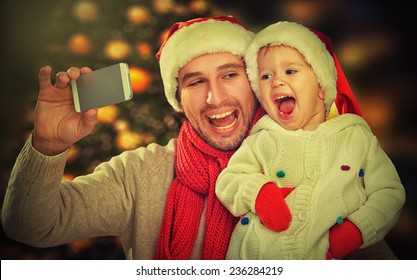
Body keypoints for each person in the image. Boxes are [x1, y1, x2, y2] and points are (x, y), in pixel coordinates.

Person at [1, 15, 398, 260]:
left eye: (230, 75)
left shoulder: (325, 154)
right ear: (179, 98)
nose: (215, 98)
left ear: (257, 84)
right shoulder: (140, 174)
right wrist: (47, 146)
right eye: (195, 82)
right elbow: (32, 226)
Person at [215, 21, 406, 259]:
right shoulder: (262, 139)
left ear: (322, 88)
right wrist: (259, 193)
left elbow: (389, 192)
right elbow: (229, 179)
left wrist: (357, 229)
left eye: (290, 71)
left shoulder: (355, 137)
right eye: (265, 76)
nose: (276, 81)